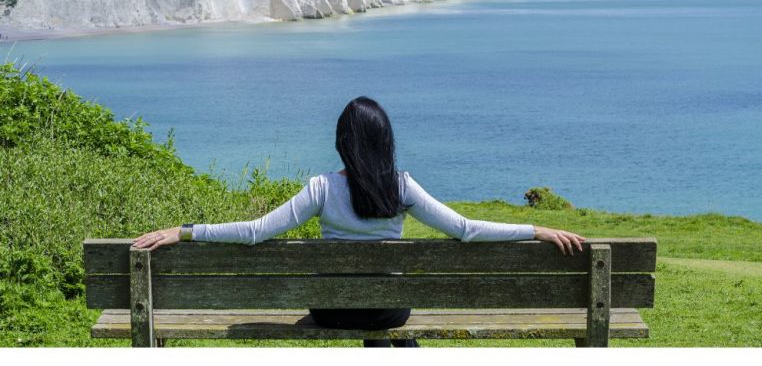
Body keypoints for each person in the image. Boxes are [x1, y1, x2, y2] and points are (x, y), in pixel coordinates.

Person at [134, 96, 586, 348]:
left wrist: (185, 231)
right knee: (384, 313)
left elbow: (255, 232)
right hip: (389, 308)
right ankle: (399, 350)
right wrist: (537, 229)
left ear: (342, 142)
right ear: (385, 140)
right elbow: (465, 229)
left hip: (330, 310)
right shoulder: (402, 186)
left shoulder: (320, 189)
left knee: (359, 302)